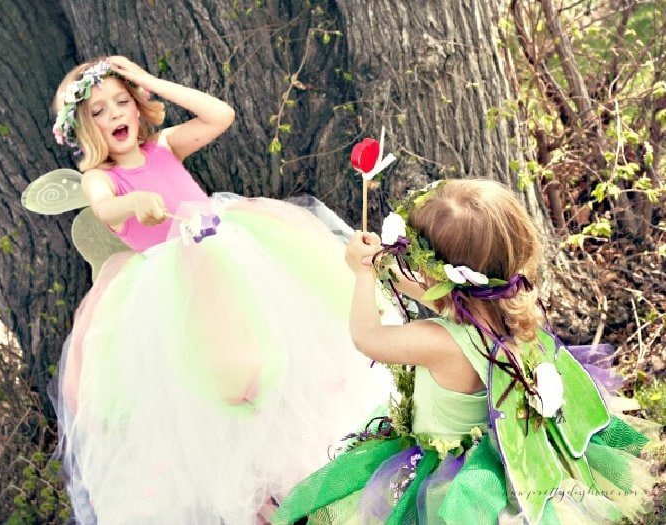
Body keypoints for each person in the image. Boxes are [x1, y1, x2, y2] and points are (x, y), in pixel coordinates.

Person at [38, 56, 392, 525]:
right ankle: (261, 500)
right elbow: (107, 210)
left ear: (138, 105)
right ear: (84, 129)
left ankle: (313, 472)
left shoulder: (164, 146)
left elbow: (219, 115)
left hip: (236, 258)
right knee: (220, 391)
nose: (114, 116)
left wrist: (149, 81)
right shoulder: (101, 177)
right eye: (98, 112)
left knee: (283, 357)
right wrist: (134, 201)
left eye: (121, 102)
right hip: (174, 294)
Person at [271, 179, 655, 524]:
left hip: (444, 473)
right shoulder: (510, 312)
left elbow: (367, 337)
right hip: (499, 459)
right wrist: (401, 280)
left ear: (438, 275)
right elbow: (449, 304)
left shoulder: (437, 340)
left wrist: (363, 276)